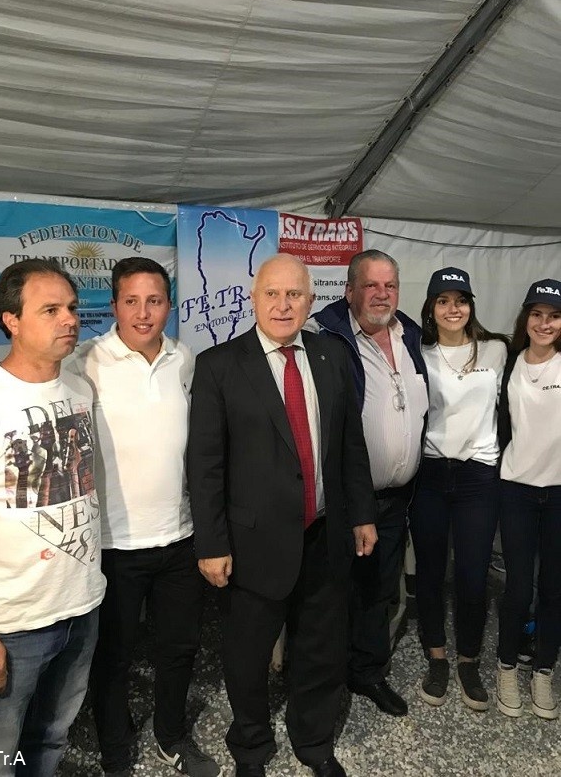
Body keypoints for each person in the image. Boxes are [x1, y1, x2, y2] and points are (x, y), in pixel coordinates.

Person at [187, 253, 377, 777]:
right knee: (247, 657)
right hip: (252, 544)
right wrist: (211, 544)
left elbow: (350, 444)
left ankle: (314, 743)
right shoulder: (219, 365)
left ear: (311, 302)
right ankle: (251, 746)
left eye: (294, 295)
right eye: (271, 293)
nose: (282, 305)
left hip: (325, 535)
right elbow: (204, 465)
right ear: (253, 299)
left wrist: (362, 513)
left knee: (321, 650)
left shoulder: (331, 356)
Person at [0, 259, 106, 776]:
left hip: (80, 607)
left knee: (50, 740)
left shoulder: (79, 390)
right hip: (11, 626)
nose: (70, 320)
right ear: (11, 320)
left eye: (73, 308)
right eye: (51, 310)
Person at [69, 258, 220, 777]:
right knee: (113, 655)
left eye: (154, 301)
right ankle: (114, 745)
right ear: (113, 306)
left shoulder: (185, 359)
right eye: (131, 301)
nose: (142, 313)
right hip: (113, 543)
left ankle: (170, 736)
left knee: (180, 648)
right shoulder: (85, 363)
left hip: (179, 537)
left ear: (169, 305)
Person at [310, 249, 428, 717]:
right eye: (371, 285)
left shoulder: (410, 335)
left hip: (397, 498)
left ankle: (367, 672)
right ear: (349, 291)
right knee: (331, 592)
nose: (382, 294)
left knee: (379, 589)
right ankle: (323, 680)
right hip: (343, 498)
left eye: (390, 285)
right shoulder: (327, 338)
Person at [410, 267, 507, 711]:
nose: (454, 309)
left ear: (471, 306)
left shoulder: (496, 349)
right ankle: (437, 657)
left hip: (478, 477)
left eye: (461, 300)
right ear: (431, 308)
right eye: (444, 300)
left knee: (472, 574)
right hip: (431, 473)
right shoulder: (418, 352)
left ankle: (469, 660)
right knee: (430, 572)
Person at [496, 278, 561, 720]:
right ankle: (506, 666)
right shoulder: (509, 364)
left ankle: (543, 670)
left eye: (554, 316)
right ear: (525, 319)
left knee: (554, 588)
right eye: (537, 314)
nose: (545, 323)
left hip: (558, 494)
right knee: (518, 586)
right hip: (517, 489)